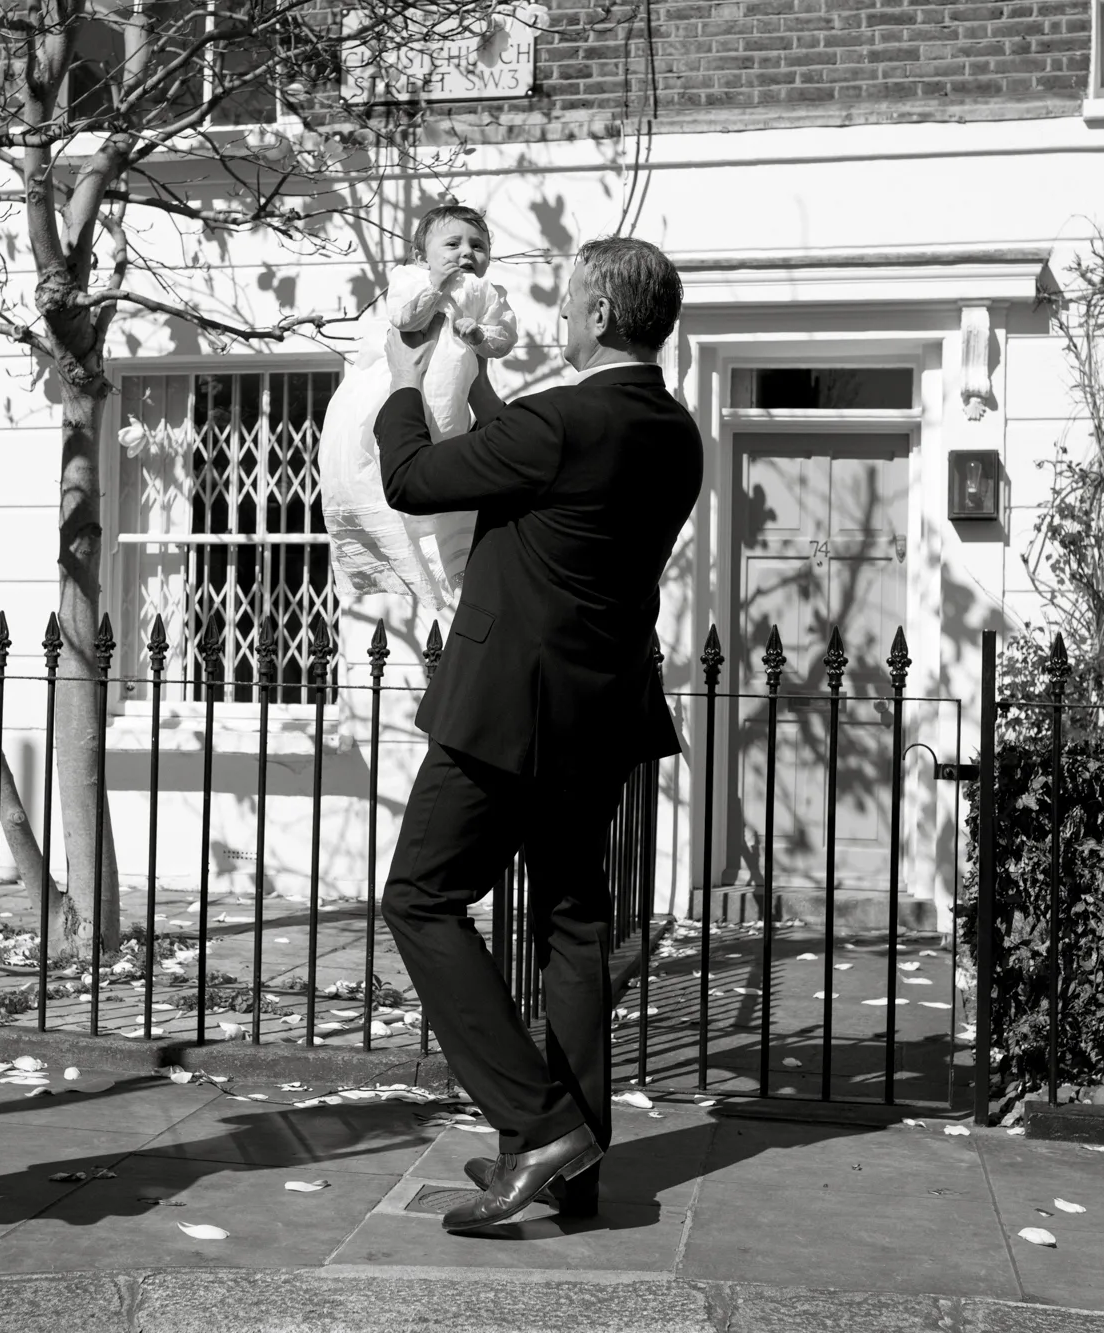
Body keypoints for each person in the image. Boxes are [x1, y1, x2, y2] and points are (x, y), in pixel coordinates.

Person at [376, 236, 703, 1233]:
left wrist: (404, 383)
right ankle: (569, 1175)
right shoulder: (675, 433)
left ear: (601, 316)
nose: (559, 319)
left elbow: (413, 478)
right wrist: (480, 391)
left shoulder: (560, 422)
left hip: (506, 710)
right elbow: (524, 458)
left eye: (568, 304)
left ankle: (539, 1121)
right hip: (596, 714)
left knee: (421, 898)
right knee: (571, 923)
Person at [320, 202, 518, 611]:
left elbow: (504, 340)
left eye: (478, 245)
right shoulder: (411, 279)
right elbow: (405, 318)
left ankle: (441, 556)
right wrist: (435, 286)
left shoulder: (488, 293)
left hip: (452, 397)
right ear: (420, 255)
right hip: (411, 386)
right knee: (397, 457)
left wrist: (479, 335)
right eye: (452, 243)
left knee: (443, 469)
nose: (467, 252)